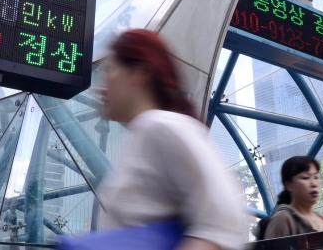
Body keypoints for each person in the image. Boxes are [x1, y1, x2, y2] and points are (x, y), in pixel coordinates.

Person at [96, 29, 244, 250]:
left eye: (110, 71)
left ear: (139, 73)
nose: (102, 87)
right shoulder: (147, 134)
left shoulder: (161, 127)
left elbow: (223, 223)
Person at [262, 156, 323, 239]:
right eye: (305, 178)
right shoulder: (282, 219)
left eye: (316, 177)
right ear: (288, 184)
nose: (314, 184)